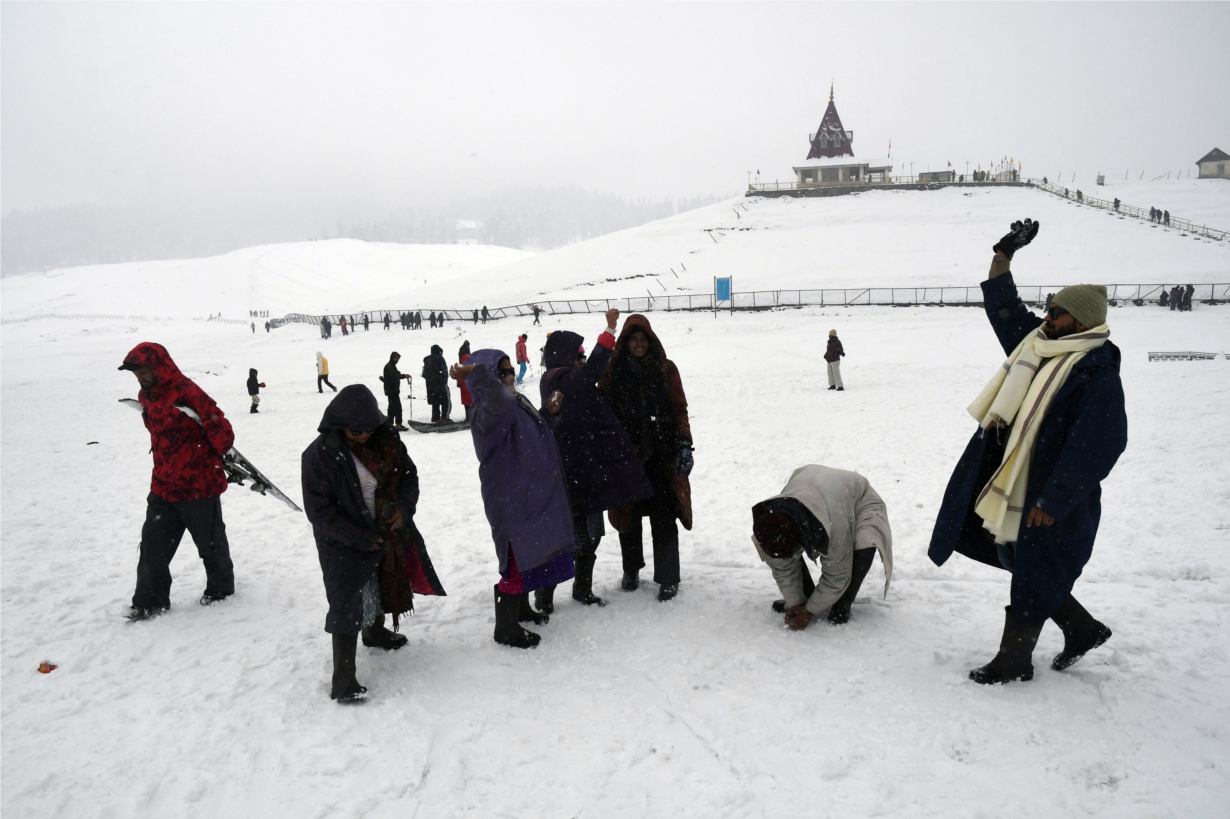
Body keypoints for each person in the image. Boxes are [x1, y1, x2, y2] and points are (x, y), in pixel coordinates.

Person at [928, 218, 1126, 685]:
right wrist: (1003, 257)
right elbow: (1004, 310)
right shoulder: (1038, 346)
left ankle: (1014, 659)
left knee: (1033, 565)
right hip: (1016, 482)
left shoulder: (1094, 371)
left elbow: (1099, 443)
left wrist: (1056, 499)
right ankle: (1082, 629)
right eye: (1048, 308)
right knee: (1020, 559)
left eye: (1056, 312)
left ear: (1080, 320)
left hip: (1051, 496)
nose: (1045, 317)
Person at [301, 385, 447, 702]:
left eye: (368, 428)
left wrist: (404, 510)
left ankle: (375, 631)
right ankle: (343, 678)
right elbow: (320, 511)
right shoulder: (321, 455)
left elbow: (409, 477)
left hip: (387, 531)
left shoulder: (387, 441)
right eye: (356, 430)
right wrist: (361, 537)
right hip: (341, 541)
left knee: (380, 585)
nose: (364, 434)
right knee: (347, 601)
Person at [451, 351, 576, 648]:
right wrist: (477, 375)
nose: (510, 376)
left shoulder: (513, 402)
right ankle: (505, 628)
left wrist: (548, 413)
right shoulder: (488, 410)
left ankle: (519, 609)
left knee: (528, 553)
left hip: (527, 494)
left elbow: (530, 432)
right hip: (511, 497)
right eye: (502, 371)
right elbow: (500, 403)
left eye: (510, 370)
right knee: (516, 559)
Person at [534, 310, 654, 612]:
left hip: (583, 472)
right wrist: (610, 330)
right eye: (579, 355)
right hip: (571, 476)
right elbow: (593, 372)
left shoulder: (560, 381)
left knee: (590, 538)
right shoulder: (559, 379)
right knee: (572, 541)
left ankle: (581, 588)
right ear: (564, 356)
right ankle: (546, 595)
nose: (582, 360)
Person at [118, 343, 236, 620]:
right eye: (136, 374)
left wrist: (214, 450)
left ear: (159, 367)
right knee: (152, 547)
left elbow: (222, 432)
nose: (140, 378)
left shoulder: (188, 392)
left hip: (199, 485)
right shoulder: (145, 396)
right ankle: (150, 602)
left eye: (143, 372)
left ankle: (221, 591)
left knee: (210, 545)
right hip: (163, 485)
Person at [599, 315, 693, 602]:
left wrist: (685, 443)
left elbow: (679, 408)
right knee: (628, 518)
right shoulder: (613, 371)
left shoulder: (665, 368)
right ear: (626, 342)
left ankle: (668, 577)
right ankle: (631, 570)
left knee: (664, 517)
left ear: (650, 340)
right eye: (633, 339)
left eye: (643, 339)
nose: (638, 344)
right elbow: (602, 414)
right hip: (626, 458)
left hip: (660, 456)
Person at [752, 465, 893, 628]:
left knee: (866, 541)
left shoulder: (834, 525)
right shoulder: (768, 523)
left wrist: (810, 611)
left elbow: (838, 574)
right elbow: (782, 567)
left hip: (860, 500)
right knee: (785, 550)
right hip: (817, 490)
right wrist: (795, 603)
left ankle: (844, 601)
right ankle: (807, 595)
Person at [422, 344, 451, 423]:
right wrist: (443, 379)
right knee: (446, 400)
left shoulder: (427, 360)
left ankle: (435, 418)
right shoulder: (440, 359)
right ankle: (445, 417)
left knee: (435, 402)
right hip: (440, 384)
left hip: (430, 385)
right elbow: (445, 372)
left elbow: (423, 374)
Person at [383, 352, 410, 432]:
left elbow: (395, 374)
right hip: (392, 391)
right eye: (395, 358)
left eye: (397, 358)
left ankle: (390, 424)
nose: (396, 359)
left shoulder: (392, 366)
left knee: (392, 408)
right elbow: (394, 376)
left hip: (392, 390)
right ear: (392, 357)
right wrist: (404, 376)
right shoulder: (389, 366)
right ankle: (398, 424)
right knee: (397, 407)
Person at [458, 341, 474, 420]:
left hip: (464, 389)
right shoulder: (471, 367)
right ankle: (472, 416)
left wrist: (459, 383)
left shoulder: (461, 368)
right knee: (473, 402)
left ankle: (468, 417)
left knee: (466, 404)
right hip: (471, 389)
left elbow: (459, 379)